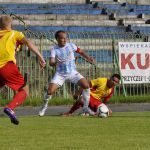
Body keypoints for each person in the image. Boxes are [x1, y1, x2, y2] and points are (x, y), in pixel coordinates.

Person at [0, 15, 46, 125]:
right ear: (11, 24)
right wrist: (40, 56)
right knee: (24, 90)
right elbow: (28, 42)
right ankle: (10, 108)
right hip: (6, 65)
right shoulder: (15, 33)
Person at [39, 30, 95, 116]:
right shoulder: (54, 49)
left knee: (86, 85)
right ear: (57, 39)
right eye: (62, 38)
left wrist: (88, 58)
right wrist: (57, 62)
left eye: (66, 38)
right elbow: (51, 62)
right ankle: (44, 106)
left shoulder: (71, 45)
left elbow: (81, 52)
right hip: (60, 74)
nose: (65, 40)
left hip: (72, 73)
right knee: (50, 91)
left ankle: (85, 108)